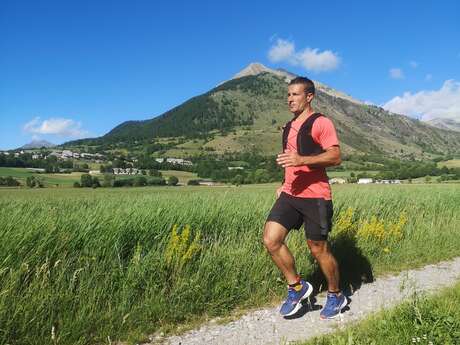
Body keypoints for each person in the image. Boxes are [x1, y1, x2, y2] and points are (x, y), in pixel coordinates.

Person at [263, 76, 347, 319]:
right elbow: (289, 161)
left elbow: (335, 156)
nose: (290, 99)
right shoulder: (288, 127)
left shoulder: (321, 122)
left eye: (295, 94)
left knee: (318, 249)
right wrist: (283, 183)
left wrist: (303, 160)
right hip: (290, 194)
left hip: (316, 196)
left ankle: (335, 294)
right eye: (288, 95)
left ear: (309, 96)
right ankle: (297, 288)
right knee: (271, 240)